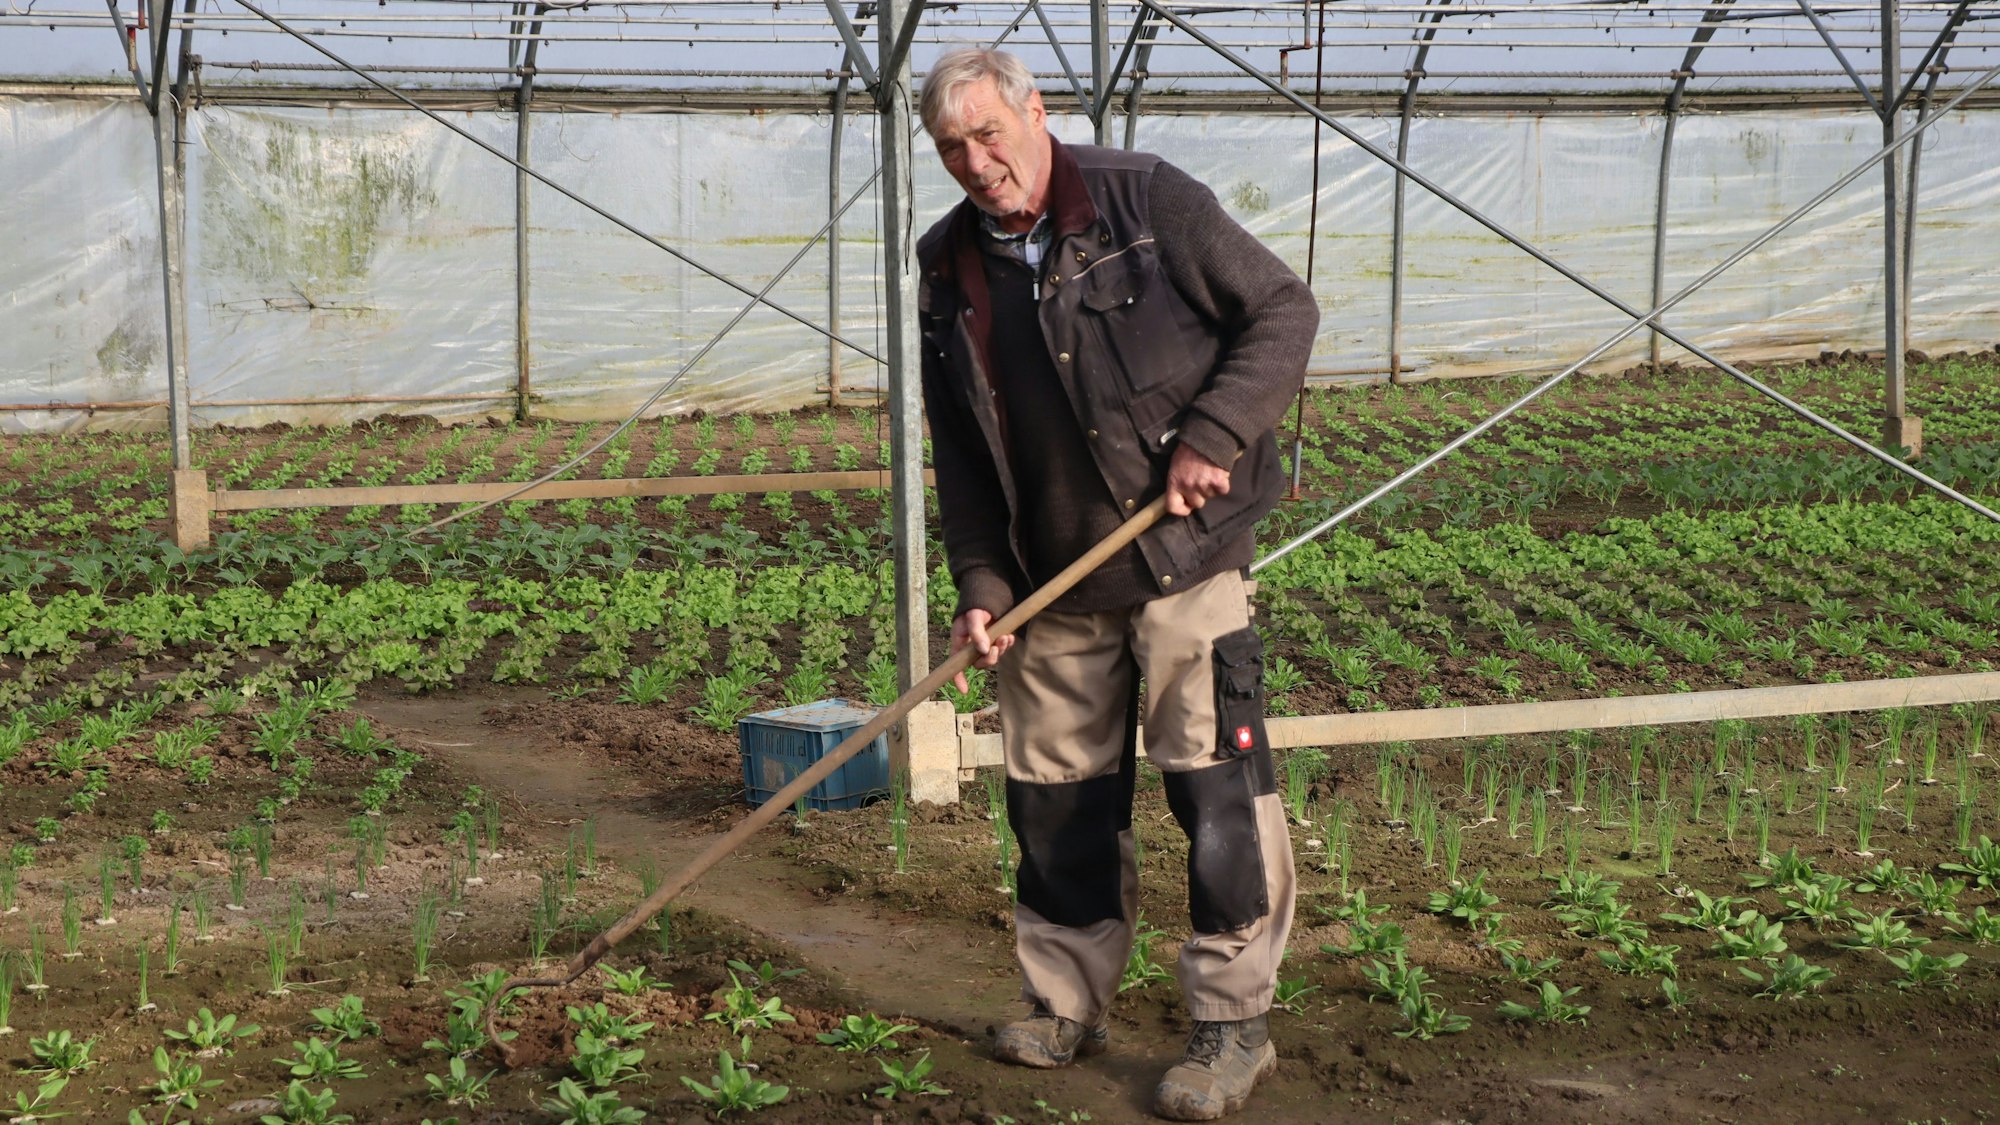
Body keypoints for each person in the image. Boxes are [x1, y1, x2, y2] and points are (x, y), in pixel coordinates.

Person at [914, 47, 1320, 1122]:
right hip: (1052, 577)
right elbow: (959, 449)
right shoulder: (947, 263)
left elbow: (1282, 311)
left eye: (987, 133)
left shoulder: (1146, 205)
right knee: (1054, 805)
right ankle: (1063, 1002)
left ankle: (1232, 1023)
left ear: (1035, 113)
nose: (973, 160)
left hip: (1181, 555)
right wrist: (982, 582)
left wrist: (1215, 433)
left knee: (1215, 790)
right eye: (950, 146)